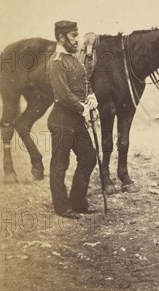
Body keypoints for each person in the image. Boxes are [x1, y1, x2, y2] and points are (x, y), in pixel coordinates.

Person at [47, 21, 98, 219]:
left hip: (77, 119)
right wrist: (82, 108)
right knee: (60, 164)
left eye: (77, 35)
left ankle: (77, 202)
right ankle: (62, 207)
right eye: (73, 36)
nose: (77, 40)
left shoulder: (74, 59)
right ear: (61, 38)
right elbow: (62, 93)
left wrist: (92, 96)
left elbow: (84, 83)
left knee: (88, 157)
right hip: (61, 120)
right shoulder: (56, 62)